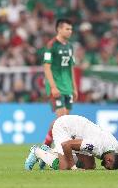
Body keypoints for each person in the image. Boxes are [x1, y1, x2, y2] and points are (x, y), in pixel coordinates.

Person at [25, 115, 118, 170]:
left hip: (80, 129)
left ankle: (49, 152)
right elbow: (67, 145)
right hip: (65, 126)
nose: (105, 167)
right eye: (108, 168)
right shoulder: (95, 146)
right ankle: (37, 151)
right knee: (65, 166)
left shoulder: (116, 147)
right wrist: (73, 167)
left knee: (89, 167)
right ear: (109, 160)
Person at [42, 18, 78, 149]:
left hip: (67, 87)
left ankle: (46, 145)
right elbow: (46, 67)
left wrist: (74, 88)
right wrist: (52, 87)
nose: (70, 31)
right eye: (67, 29)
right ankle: (59, 151)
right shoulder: (51, 45)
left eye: (71, 29)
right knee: (62, 120)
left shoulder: (69, 47)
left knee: (64, 120)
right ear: (59, 29)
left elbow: (71, 68)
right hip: (56, 86)